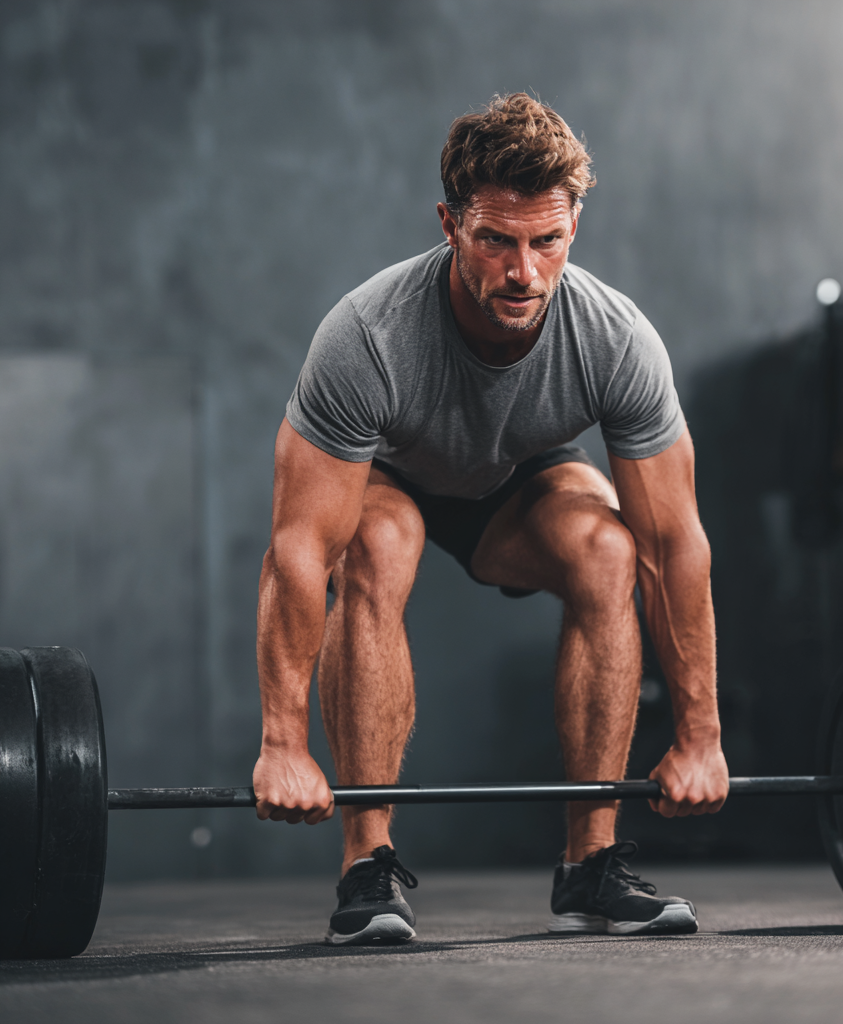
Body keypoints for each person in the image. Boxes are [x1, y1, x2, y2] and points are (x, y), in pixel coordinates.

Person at [253, 93, 729, 946]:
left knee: (609, 550)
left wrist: (701, 737)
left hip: (518, 481)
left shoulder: (615, 339)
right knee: (373, 542)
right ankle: (368, 863)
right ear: (449, 223)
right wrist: (283, 744)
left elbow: (674, 545)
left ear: (574, 225)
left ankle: (590, 862)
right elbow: (296, 552)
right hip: (393, 476)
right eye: (496, 241)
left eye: (546, 241)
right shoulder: (367, 337)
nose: (524, 273)